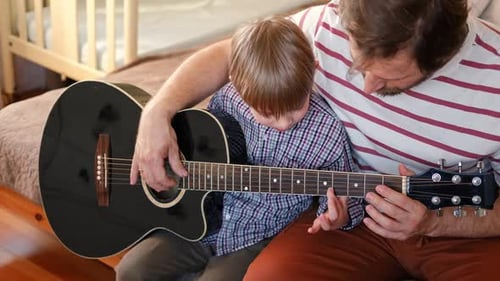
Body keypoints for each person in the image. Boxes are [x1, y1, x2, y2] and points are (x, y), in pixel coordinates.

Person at [130, 0, 500, 280]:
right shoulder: (332, 21)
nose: (367, 88)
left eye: (391, 80)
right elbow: (232, 54)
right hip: (347, 212)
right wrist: (158, 110)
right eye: (358, 65)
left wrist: (435, 224)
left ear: (441, 57)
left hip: (454, 222)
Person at [117, 16, 361, 281]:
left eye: (294, 109)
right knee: (132, 270)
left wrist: (339, 214)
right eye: (267, 114)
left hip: (257, 235)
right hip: (203, 221)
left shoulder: (327, 133)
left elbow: (342, 192)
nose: (282, 124)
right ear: (236, 84)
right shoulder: (228, 100)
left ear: (313, 71)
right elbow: (205, 145)